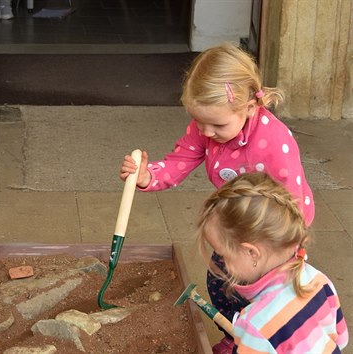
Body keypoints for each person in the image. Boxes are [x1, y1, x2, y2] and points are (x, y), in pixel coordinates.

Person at [119, 42, 315, 353]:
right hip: (233, 224)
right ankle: (233, 334)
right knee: (220, 282)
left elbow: (290, 202)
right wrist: (148, 176)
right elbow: (180, 159)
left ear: (250, 106)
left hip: (273, 236)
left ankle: (270, 343)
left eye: (217, 125)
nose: (206, 132)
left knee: (269, 298)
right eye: (200, 122)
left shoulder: (275, 142)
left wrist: (284, 247)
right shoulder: (208, 127)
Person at [195, 172, 348, 353]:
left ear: (252, 253)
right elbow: (341, 337)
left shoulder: (255, 326)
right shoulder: (318, 279)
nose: (223, 264)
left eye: (223, 255)